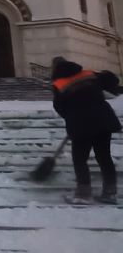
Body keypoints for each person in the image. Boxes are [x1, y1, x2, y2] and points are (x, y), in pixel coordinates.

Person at [51, 56, 121, 204]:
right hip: (102, 120)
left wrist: (72, 116)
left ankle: (84, 195)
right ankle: (110, 193)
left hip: (80, 123)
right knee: (104, 157)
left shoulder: (59, 83)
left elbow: (59, 107)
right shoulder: (89, 74)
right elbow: (112, 81)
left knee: (79, 159)